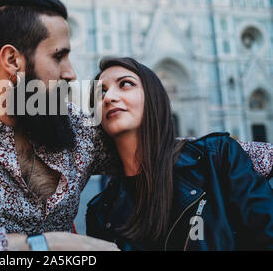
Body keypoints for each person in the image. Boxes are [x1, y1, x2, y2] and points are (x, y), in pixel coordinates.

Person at [0, 0, 269, 251]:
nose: (72, 73)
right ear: (12, 60)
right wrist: (40, 246)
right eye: (59, 56)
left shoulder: (75, 132)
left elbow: (174, 150)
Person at [86, 57, 273, 251]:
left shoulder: (217, 157)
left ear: (154, 96)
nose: (108, 98)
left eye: (125, 84)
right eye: (101, 93)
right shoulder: (101, 212)